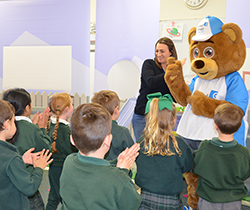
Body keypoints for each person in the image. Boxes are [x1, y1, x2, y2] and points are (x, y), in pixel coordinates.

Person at [60, 103, 142, 210]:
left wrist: (116, 162)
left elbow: (94, 169)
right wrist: (122, 171)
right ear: (108, 140)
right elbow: (133, 203)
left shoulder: (69, 162)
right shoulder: (118, 179)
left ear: (72, 140)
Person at [135, 92, 192, 210]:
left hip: (145, 198)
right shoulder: (179, 145)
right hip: (170, 200)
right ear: (173, 119)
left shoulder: (141, 142)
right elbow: (187, 166)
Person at [193, 103, 250, 210]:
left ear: (215, 125)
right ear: (240, 126)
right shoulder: (243, 152)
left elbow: (195, 167)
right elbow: (245, 174)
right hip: (233, 202)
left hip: (207, 199)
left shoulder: (204, 147)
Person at [3, 88, 52, 209]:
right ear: (28, 108)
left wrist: (21, 159)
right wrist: (41, 128)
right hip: (26, 184)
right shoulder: (31, 128)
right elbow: (46, 148)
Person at [132, 37, 186, 141]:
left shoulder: (174, 71)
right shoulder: (149, 64)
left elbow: (175, 96)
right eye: (157, 51)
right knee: (142, 148)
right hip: (143, 116)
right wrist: (170, 72)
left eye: (162, 51)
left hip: (163, 117)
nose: (158, 54)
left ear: (171, 52)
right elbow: (151, 83)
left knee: (160, 148)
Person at [45, 92, 78, 210]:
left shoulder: (51, 125)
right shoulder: (64, 130)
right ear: (67, 109)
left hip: (54, 167)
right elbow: (70, 150)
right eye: (72, 105)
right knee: (60, 196)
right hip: (63, 168)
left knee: (54, 195)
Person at [91, 90, 134, 160]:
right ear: (116, 110)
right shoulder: (122, 132)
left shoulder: (90, 128)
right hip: (117, 169)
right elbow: (132, 155)